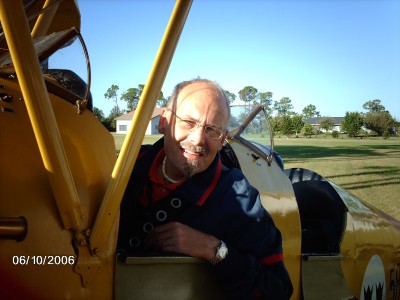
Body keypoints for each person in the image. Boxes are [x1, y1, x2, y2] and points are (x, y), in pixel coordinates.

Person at [118, 78, 293, 299]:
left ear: (222, 141)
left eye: (212, 130)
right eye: (188, 122)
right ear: (163, 122)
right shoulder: (123, 168)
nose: (198, 139)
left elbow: (277, 290)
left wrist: (213, 249)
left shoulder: (239, 198)